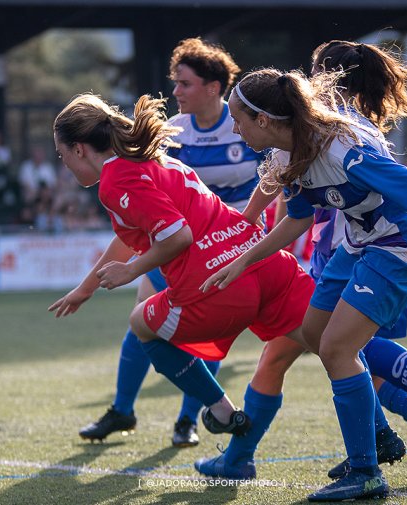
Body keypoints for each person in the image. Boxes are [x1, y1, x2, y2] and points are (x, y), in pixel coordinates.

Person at [201, 68, 407, 501]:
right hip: (359, 240)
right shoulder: (286, 156)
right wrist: (244, 261)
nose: (234, 127)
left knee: (337, 348)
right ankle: (387, 436)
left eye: (238, 119)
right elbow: (297, 219)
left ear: (263, 120)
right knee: (315, 334)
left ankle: (366, 471)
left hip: (401, 243)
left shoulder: (341, 152)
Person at [49, 92, 315, 448]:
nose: (62, 162)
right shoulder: (151, 160)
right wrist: (86, 287)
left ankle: (217, 411)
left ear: (79, 149)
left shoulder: (116, 181)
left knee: (142, 323)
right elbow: (140, 235)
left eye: (62, 154)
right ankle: (383, 431)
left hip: (215, 284)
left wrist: (130, 272)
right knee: (338, 348)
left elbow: (177, 236)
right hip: (258, 264)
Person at [77, 38, 265, 448]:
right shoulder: (173, 132)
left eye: (185, 83)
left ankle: (187, 420)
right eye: (175, 83)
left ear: (214, 88)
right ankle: (123, 409)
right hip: (179, 246)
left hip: (229, 247)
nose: (176, 92)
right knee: (143, 320)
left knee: (196, 329)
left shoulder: (245, 128)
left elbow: (275, 185)